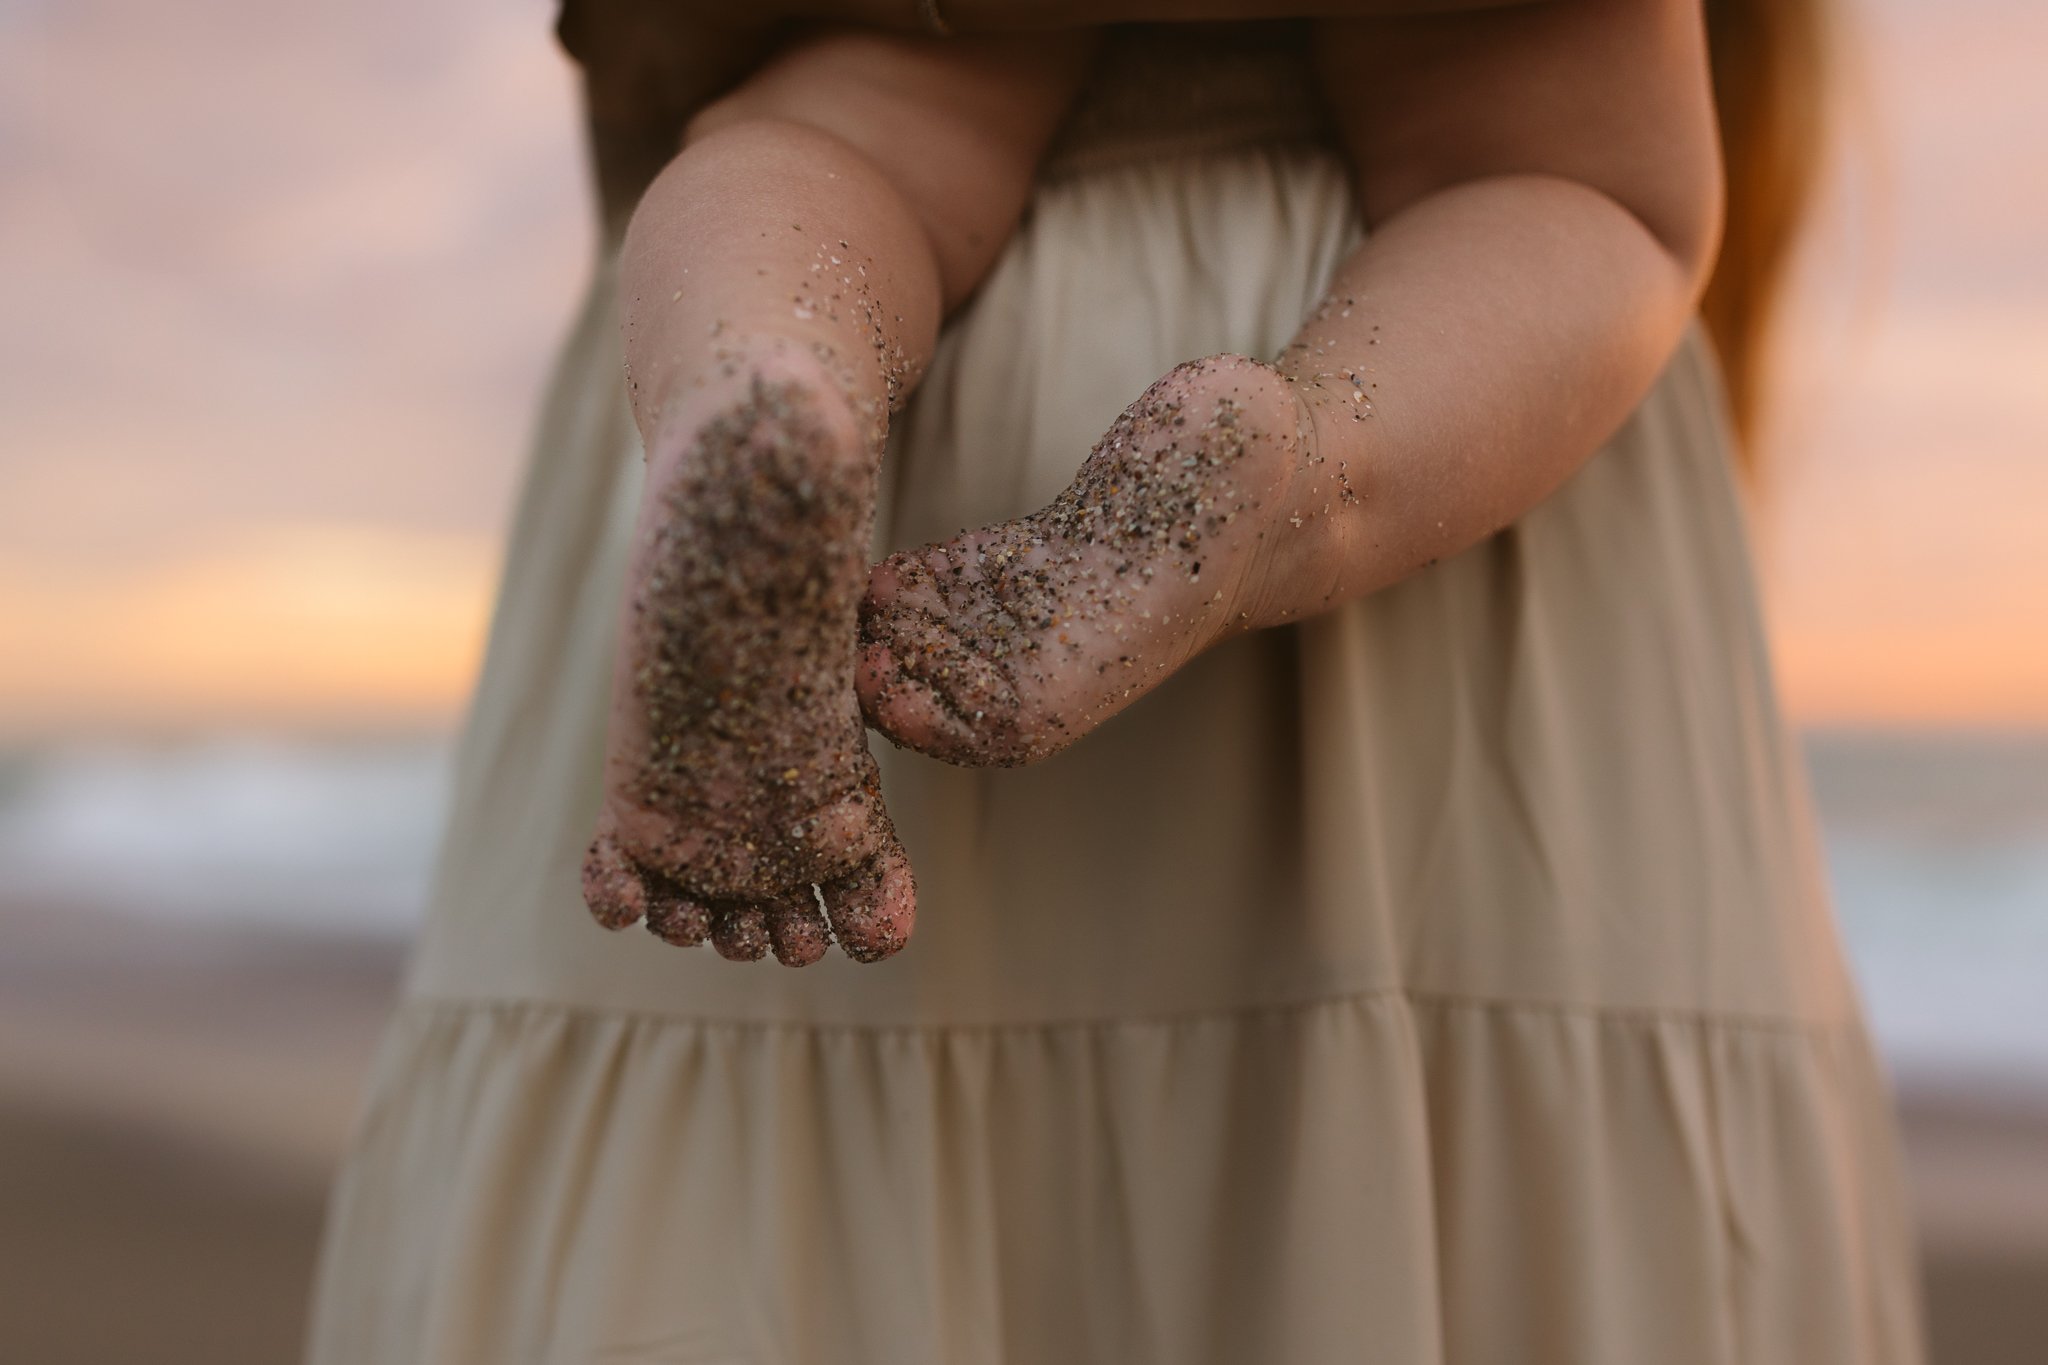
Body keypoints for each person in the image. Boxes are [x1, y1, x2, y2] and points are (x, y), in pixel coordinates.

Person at [307, 3, 1927, 1362]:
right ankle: (1291, 463)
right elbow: (1616, 184)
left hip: (916, 359)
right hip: (1447, 445)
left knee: (841, 119)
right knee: (1549, 165)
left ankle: (765, 367)